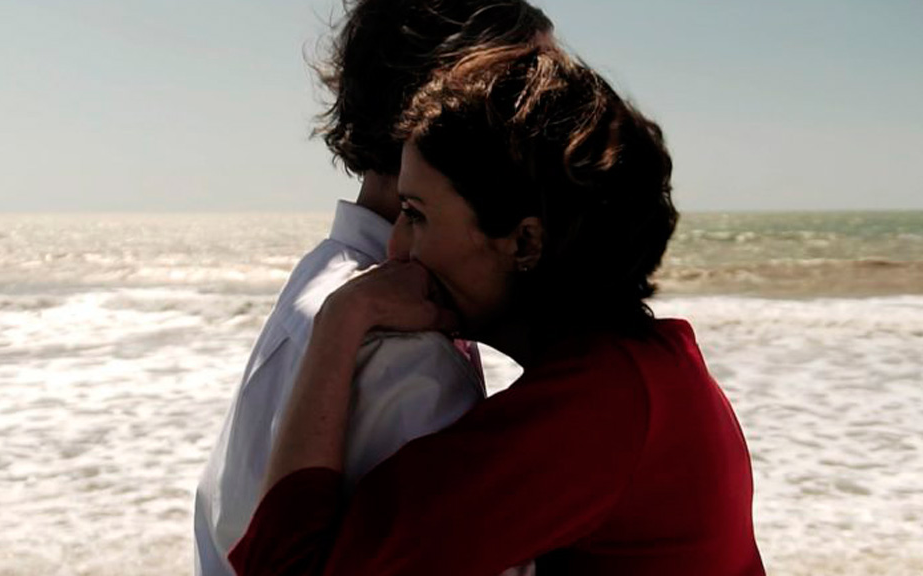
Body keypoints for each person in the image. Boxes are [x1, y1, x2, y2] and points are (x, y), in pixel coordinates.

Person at [228, 41, 766, 575]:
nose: (394, 248)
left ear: (525, 241)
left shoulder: (597, 411)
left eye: (416, 214)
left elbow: (284, 570)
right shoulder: (654, 368)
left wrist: (339, 323)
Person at [193, 2, 553, 574]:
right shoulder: (404, 352)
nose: (558, 117)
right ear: (446, 102)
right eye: (529, 90)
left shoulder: (324, 276)